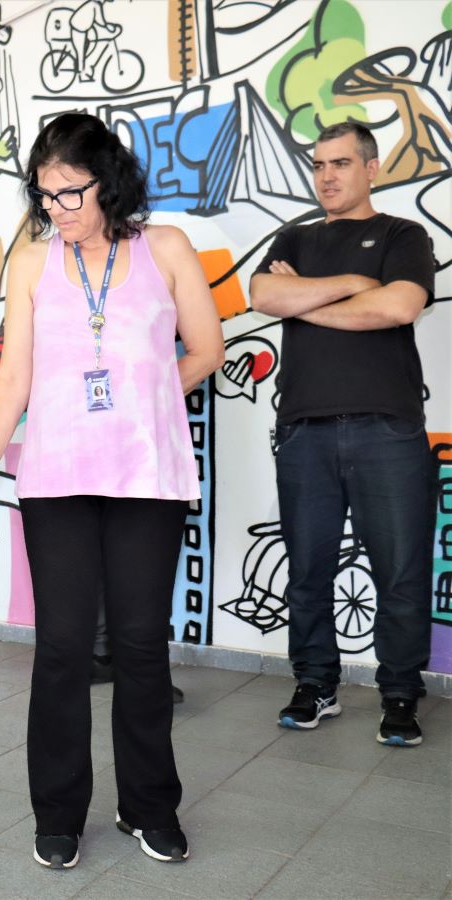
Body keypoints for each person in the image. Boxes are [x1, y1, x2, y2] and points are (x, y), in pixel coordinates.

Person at [0, 112, 223, 869]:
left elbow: (207, 348)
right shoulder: (31, 262)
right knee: (63, 647)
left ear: (107, 183)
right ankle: (58, 812)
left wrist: (149, 396)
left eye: (71, 192)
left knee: (141, 645)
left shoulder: (166, 248)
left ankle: (149, 806)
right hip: (58, 478)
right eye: (45, 195)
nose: (58, 208)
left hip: (146, 479)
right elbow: (13, 378)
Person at [249, 120, 436, 748]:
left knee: (400, 572)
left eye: (341, 163)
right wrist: (357, 286)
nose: (326, 176)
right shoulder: (294, 238)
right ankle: (315, 685)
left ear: (371, 168)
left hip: (389, 430)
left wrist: (304, 300)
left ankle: (401, 694)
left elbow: (399, 306)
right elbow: (262, 294)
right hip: (305, 431)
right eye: (319, 165)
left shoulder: (403, 235)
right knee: (308, 570)